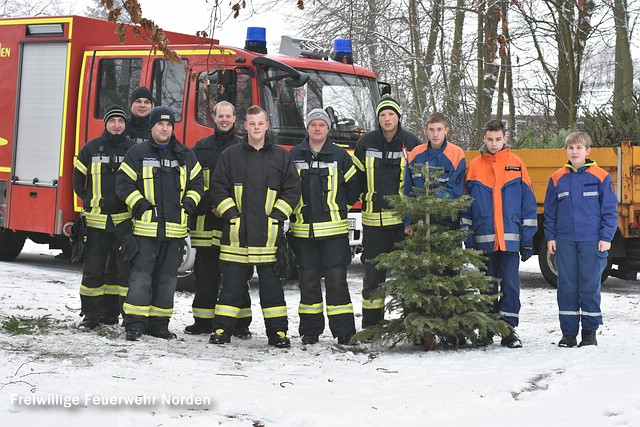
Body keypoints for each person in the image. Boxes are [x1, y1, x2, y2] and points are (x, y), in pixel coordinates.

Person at [208, 105, 300, 348]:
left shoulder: (281, 156)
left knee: (272, 290)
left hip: (269, 237)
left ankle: (278, 333)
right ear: (245, 126)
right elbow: (218, 186)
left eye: (261, 123)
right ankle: (221, 329)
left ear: (267, 126)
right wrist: (231, 214)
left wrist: (277, 215)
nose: (256, 128)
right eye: (252, 123)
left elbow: (292, 190)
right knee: (231, 287)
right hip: (237, 235)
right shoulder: (230, 155)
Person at [116, 106, 204, 341]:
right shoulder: (137, 153)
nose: (164, 128)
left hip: (174, 232)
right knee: (141, 279)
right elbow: (123, 184)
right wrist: (140, 205)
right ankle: (134, 324)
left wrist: (188, 204)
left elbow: (198, 184)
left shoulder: (185, 155)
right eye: (160, 124)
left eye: (168, 125)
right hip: (145, 231)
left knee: (167, 281)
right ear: (151, 127)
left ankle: (159, 325)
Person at [461, 119, 537, 348]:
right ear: (484, 139)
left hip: (510, 240)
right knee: (486, 285)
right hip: (484, 239)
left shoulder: (516, 164)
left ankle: (508, 330)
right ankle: (486, 328)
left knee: (511, 285)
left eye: (498, 139)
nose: (494, 143)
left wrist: (527, 238)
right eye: (490, 139)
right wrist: (468, 237)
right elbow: (466, 206)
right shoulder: (474, 166)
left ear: (505, 139)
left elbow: (528, 203)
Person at [289, 109, 359, 345]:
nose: (317, 128)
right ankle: (310, 331)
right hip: (303, 233)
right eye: (313, 124)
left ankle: (344, 331)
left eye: (321, 125)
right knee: (308, 284)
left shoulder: (340, 155)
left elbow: (353, 188)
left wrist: (339, 208)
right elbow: (287, 188)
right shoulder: (295, 155)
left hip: (334, 234)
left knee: (336, 282)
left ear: (328, 129)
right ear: (307, 128)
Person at [184, 101, 253, 337]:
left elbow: (249, 185)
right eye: (220, 115)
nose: (224, 119)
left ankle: (240, 324)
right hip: (205, 221)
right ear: (213, 118)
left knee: (238, 276)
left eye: (228, 116)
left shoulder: (244, 148)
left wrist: (226, 208)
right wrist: (209, 205)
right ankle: (202, 321)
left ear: (235, 119)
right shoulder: (200, 149)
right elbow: (191, 183)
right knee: (205, 275)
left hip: (233, 223)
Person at [543, 131, 617, 348]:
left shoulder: (601, 177)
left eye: (578, 148)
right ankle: (568, 334)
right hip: (565, 241)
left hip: (592, 241)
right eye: (570, 148)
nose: (574, 151)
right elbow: (550, 213)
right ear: (566, 151)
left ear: (587, 151)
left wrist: (606, 237)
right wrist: (550, 237)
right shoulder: (557, 178)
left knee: (589, 286)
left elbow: (610, 211)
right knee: (566, 286)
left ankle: (589, 333)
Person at [352, 95, 420, 328]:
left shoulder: (412, 143)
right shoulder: (365, 142)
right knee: (373, 278)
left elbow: (420, 181)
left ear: (398, 117)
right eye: (382, 115)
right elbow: (356, 179)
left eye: (391, 114)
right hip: (373, 225)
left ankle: (412, 325)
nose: (387, 119)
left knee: (409, 276)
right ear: (378, 118)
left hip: (404, 225)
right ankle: (372, 326)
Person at [73, 105, 135, 330]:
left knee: (120, 272)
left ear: (125, 124)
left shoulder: (133, 150)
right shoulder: (90, 149)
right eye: (112, 121)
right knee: (93, 271)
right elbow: (78, 181)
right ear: (106, 124)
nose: (117, 125)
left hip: (123, 223)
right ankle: (90, 316)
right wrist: (89, 201)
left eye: (120, 121)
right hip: (96, 223)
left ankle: (111, 314)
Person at [404, 112, 466, 234]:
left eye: (439, 129)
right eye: (431, 130)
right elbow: (408, 190)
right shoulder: (415, 154)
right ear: (426, 130)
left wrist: (431, 200)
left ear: (446, 130)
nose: (435, 134)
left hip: (448, 226)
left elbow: (455, 191)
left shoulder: (456, 154)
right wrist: (408, 222)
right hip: (420, 225)